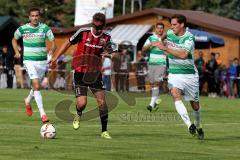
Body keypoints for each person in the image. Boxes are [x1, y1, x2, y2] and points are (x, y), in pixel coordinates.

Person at [50, 13, 114, 139]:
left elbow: (109, 51)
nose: (97, 29)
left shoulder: (106, 38)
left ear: (103, 26)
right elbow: (67, 43)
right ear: (92, 23)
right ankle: (78, 114)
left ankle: (104, 131)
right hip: (79, 73)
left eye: (100, 27)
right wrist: (55, 58)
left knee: (102, 103)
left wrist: (110, 52)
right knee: (82, 103)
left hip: (95, 73)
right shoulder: (82, 32)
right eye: (95, 27)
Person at [156, 14, 204, 139]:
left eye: (174, 24)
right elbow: (164, 35)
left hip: (190, 75)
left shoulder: (189, 37)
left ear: (182, 25)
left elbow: (183, 55)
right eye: (171, 24)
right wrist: (161, 40)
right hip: (174, 73)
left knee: (195, 104)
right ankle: (189, 125)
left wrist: (165, 48)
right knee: (175, 95)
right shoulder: (170, 32)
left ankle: (198, 125)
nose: (172, 27)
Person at [12, 7, 57, 123]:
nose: (34, 18)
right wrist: (17, 52)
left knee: (37, 86)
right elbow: (14, 39)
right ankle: (43, 114)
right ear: (29, 17)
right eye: (32, 16)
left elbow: (53, 42)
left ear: (39, 17)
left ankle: (27, 100)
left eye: (36, 16)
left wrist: (52, 50)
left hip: (42, 62)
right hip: (29, 61)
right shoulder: (23, 29)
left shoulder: (45, 28)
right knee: (36, 84)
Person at [142, 22, 166, 112]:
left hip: (161, 63)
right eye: (158, 28)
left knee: (156, 82)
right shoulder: (151, 38)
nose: (160, 30)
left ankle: (151, 104)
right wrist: (151, 45)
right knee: (152, 83)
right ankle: (156, 100)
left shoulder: (166, 39)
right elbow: (143, 50)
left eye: (161, 28)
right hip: (151, 63)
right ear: (155, 29)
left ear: (163, 30)